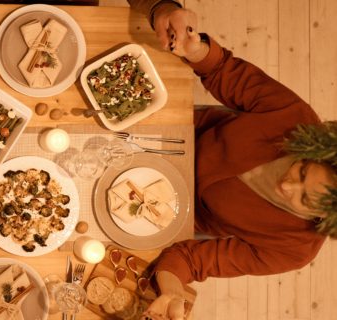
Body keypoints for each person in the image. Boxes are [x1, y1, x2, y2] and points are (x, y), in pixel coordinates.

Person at [122, 1, 337, 319]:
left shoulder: (294, 249)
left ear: (322, 219)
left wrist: (172, 292)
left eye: (303, 198)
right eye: (302, 170)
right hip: (169, 136)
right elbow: (224, 70)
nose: (288, 184)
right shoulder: (299, 120)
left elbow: (194, 260)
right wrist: (195, 49)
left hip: (163, 212)